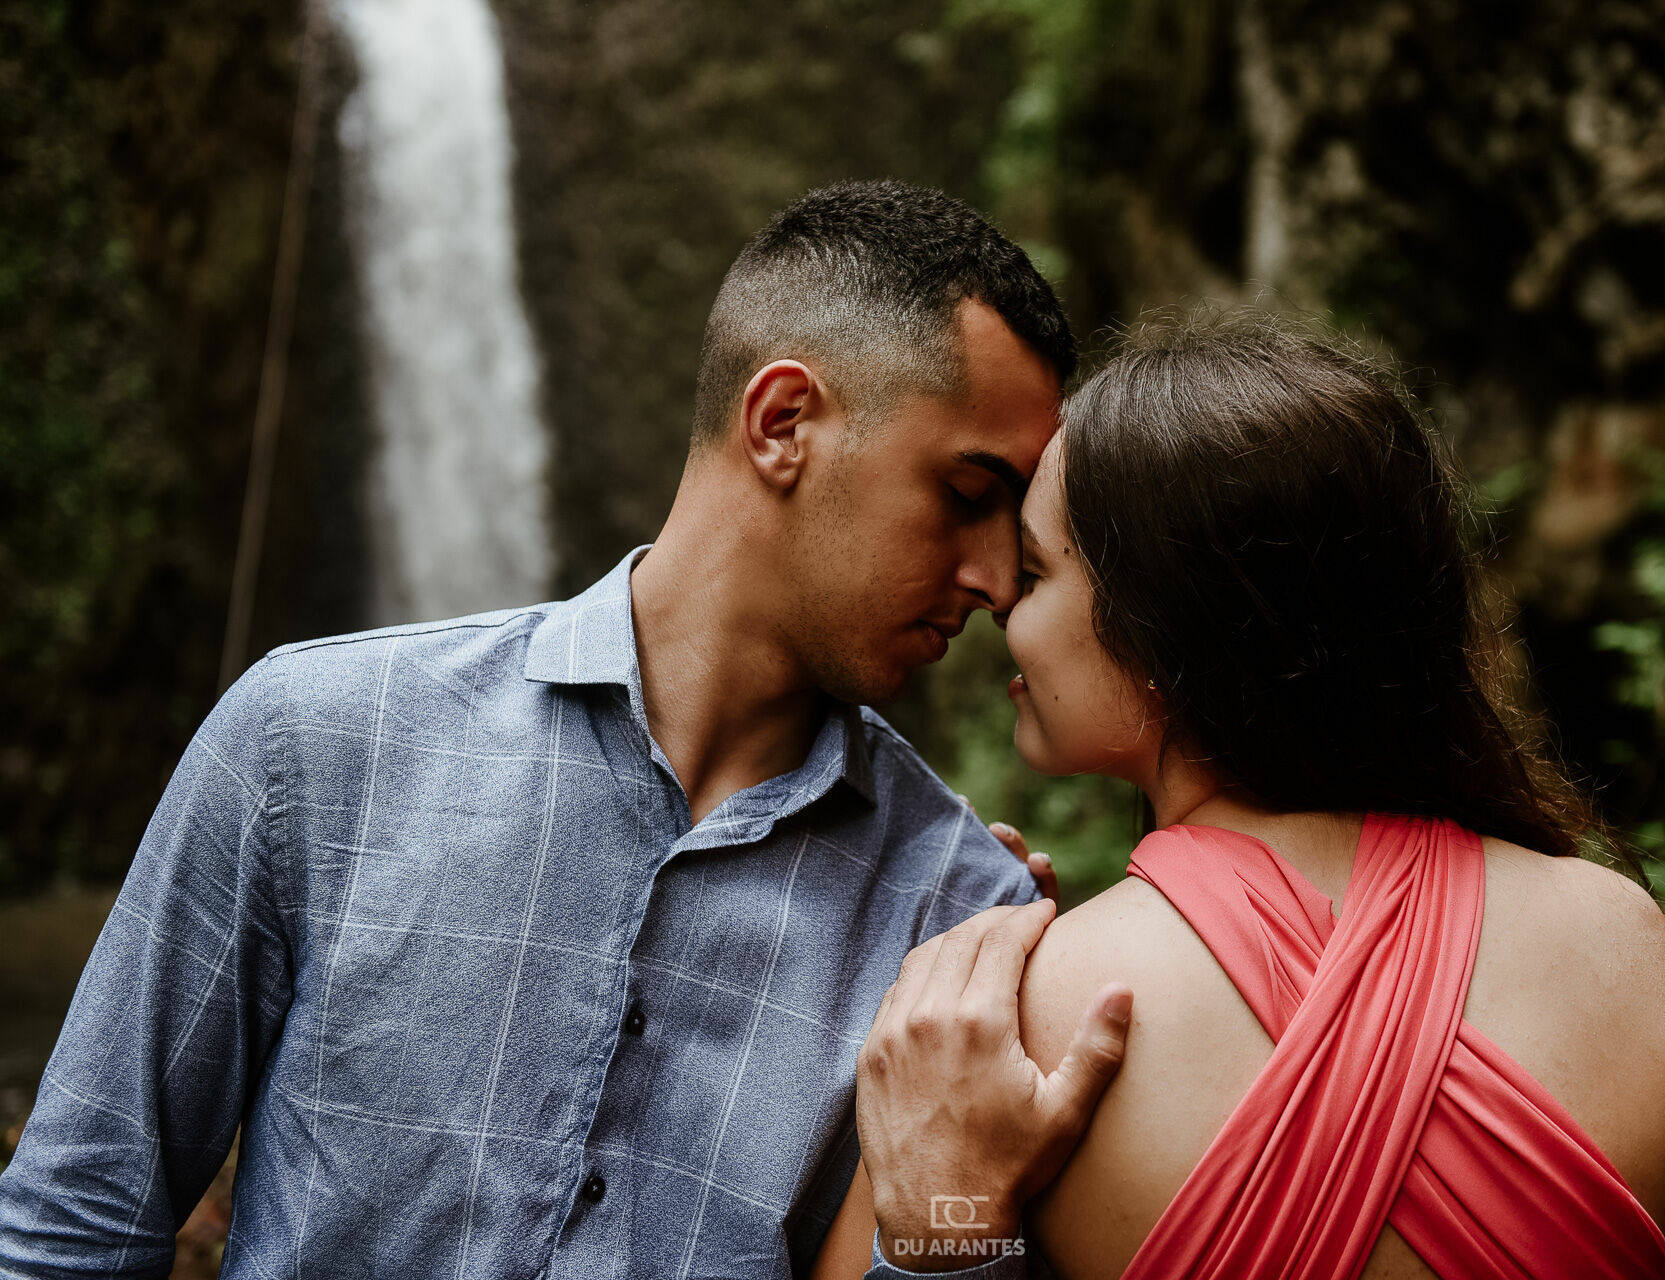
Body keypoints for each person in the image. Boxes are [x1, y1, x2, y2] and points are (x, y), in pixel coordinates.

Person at [0, 180, 1135, 1279]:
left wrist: (955, 1219)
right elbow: (73, 1225)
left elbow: (950, 1247)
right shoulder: (312, 745)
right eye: (967, 490)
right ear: (782, 422)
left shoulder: (962, 921)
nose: (994, 578)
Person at [816, 312, 1665, 1278]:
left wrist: (946, 1219)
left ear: (1162, 631)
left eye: (1033, 572)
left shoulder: (1022, 1018)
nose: (1002, 606)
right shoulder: (1619, 941)